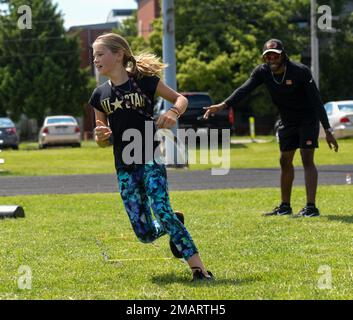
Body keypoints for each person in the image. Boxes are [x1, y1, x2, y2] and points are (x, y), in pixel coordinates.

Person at [89, 33, 213, 281]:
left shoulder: (145, 82)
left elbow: (181, 99)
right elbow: (101, 141)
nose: (96, 60)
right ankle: (173, 223)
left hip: (150, 158)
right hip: (124, 166)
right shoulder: (99, 96)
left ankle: (199, 270)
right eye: (94, 55)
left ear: (119, 54)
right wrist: (101, 136)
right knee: (144, 233)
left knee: (161, 210)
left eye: (100, 54)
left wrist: (173, 113)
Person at [204, 39, 338, 218]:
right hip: (286, 121)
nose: (272, 59)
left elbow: (316, 101)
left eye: (275, 55)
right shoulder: (263, 72)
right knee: (284, 160)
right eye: (268, 56)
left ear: (283, 55)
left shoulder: (300, 71)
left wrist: (328, 130)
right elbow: (244, 89)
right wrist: (223, 105)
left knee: (307, 158)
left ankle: (311, 207)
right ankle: (285, 206)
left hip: (307, 119)